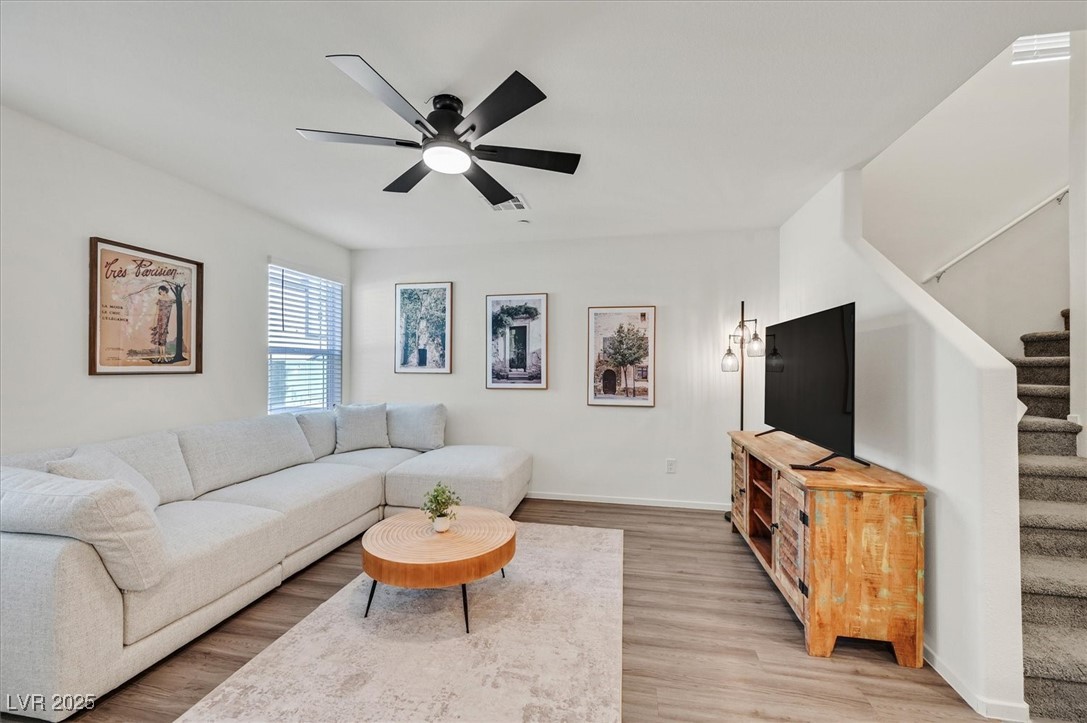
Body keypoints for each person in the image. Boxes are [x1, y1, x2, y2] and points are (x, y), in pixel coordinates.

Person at [151, 285, 173, 362]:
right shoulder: (159, 299)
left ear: (164, 290)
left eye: (161, 291)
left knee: (164, 337)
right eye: (159, 291)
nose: (160, 293)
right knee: (160, 338)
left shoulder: (171, 300)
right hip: (160, 321)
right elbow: (157, 312)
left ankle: (164, 356)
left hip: (166, 321)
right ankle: (161, 356)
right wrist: (154, 323)